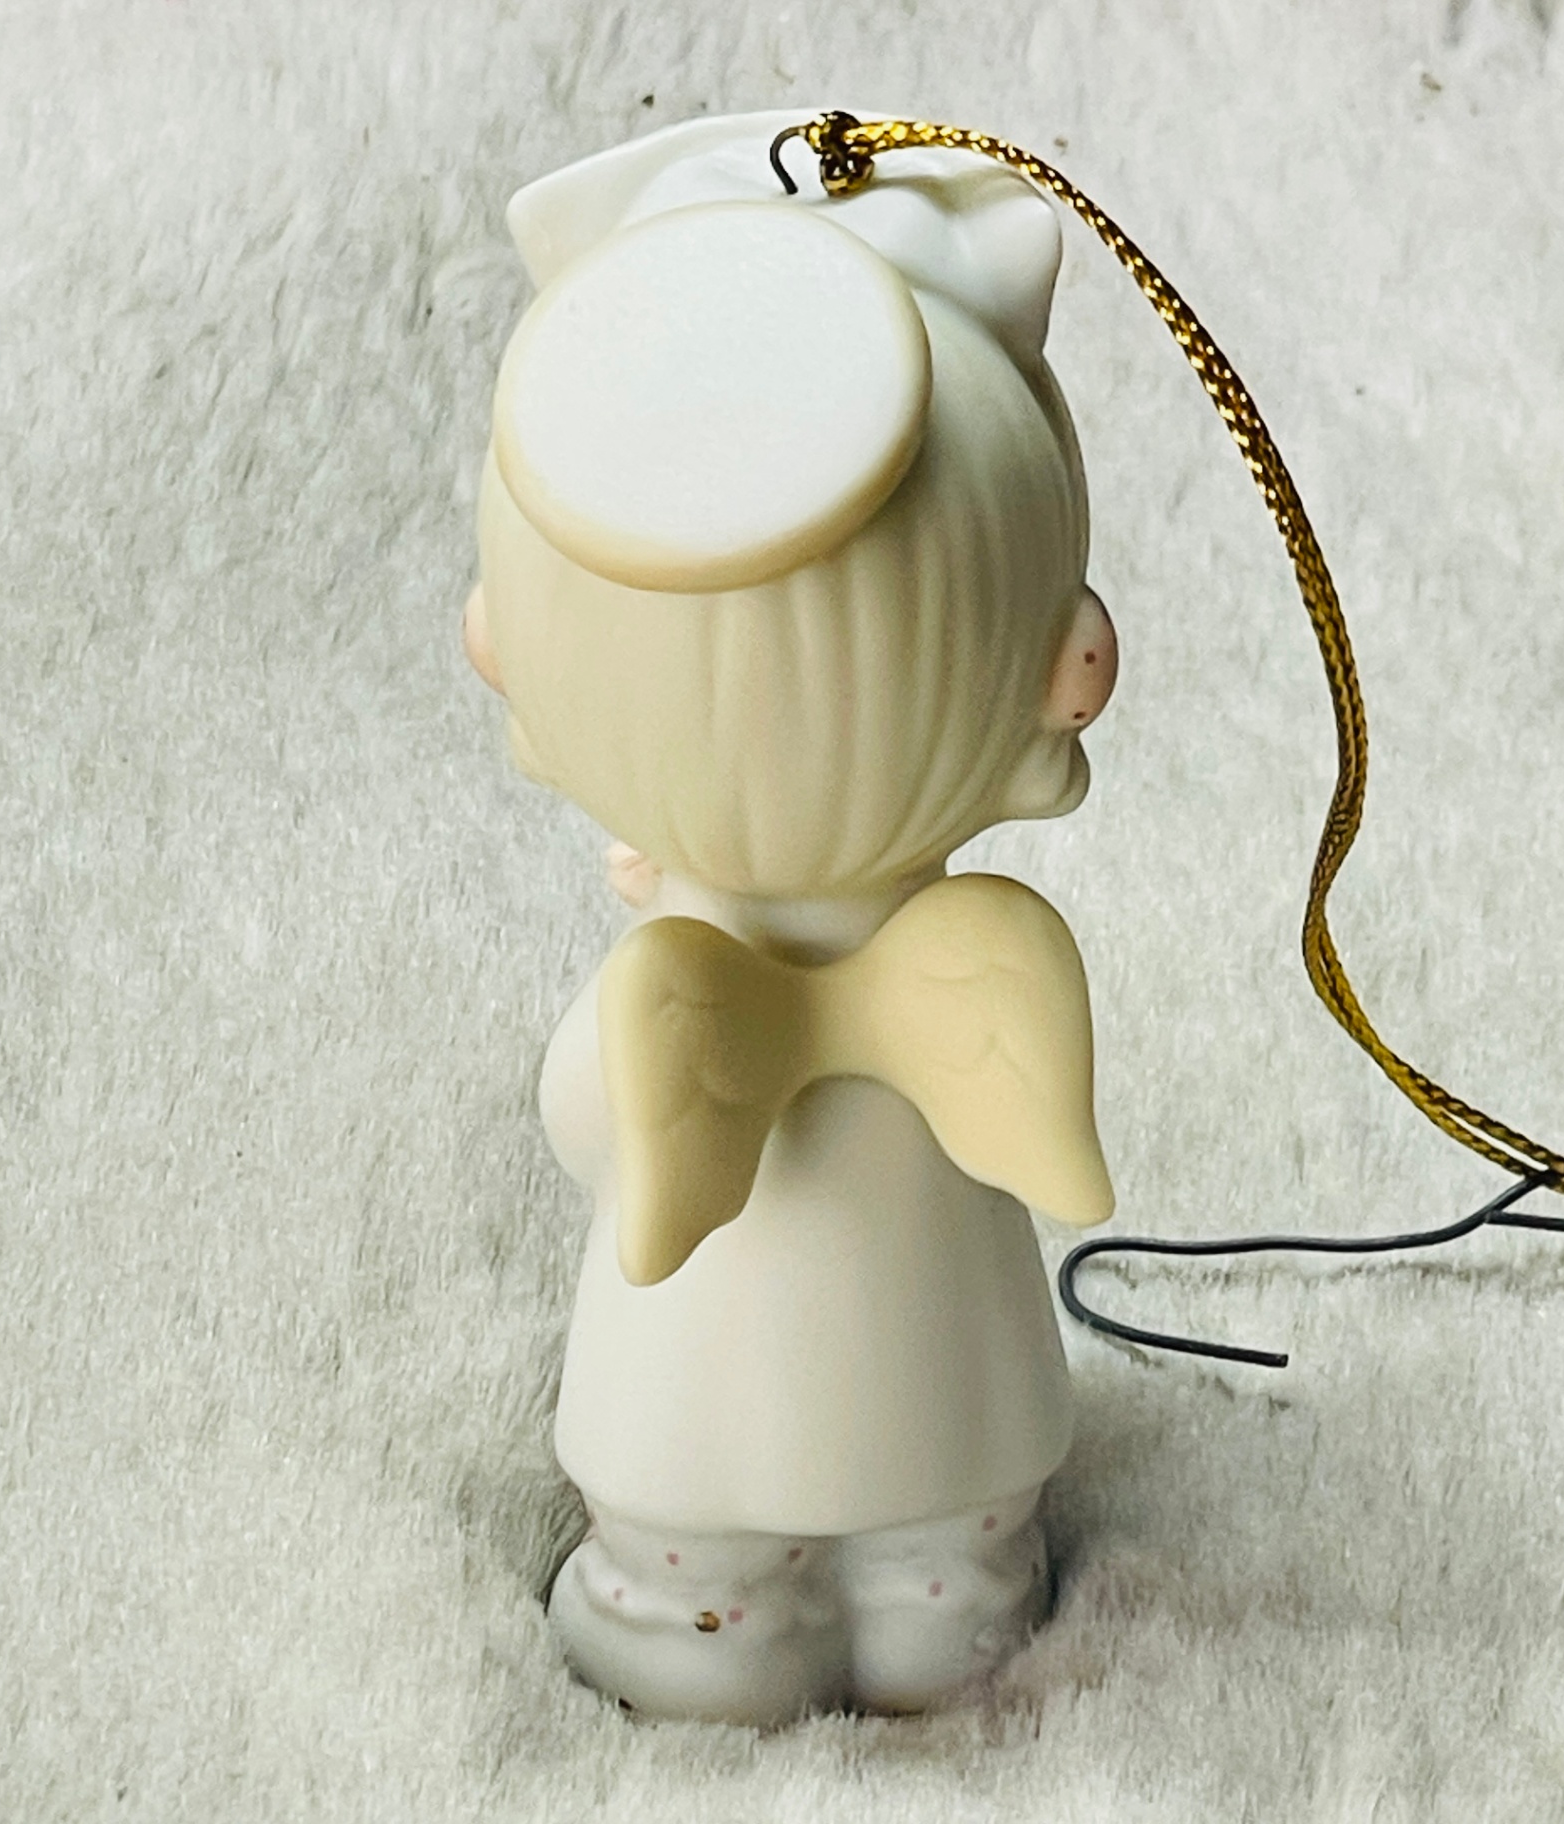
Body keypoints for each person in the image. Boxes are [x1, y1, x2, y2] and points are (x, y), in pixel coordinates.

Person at [463, 110, 1119, 1722]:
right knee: (952, 1535)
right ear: (1068, 668)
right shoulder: (977, 971)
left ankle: (694, 1615)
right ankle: (951, 1595)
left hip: (683, 1396)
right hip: (953, 1387)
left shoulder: (661, 985)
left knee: (694, 1551)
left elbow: (586, 1126)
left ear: (509, 656)